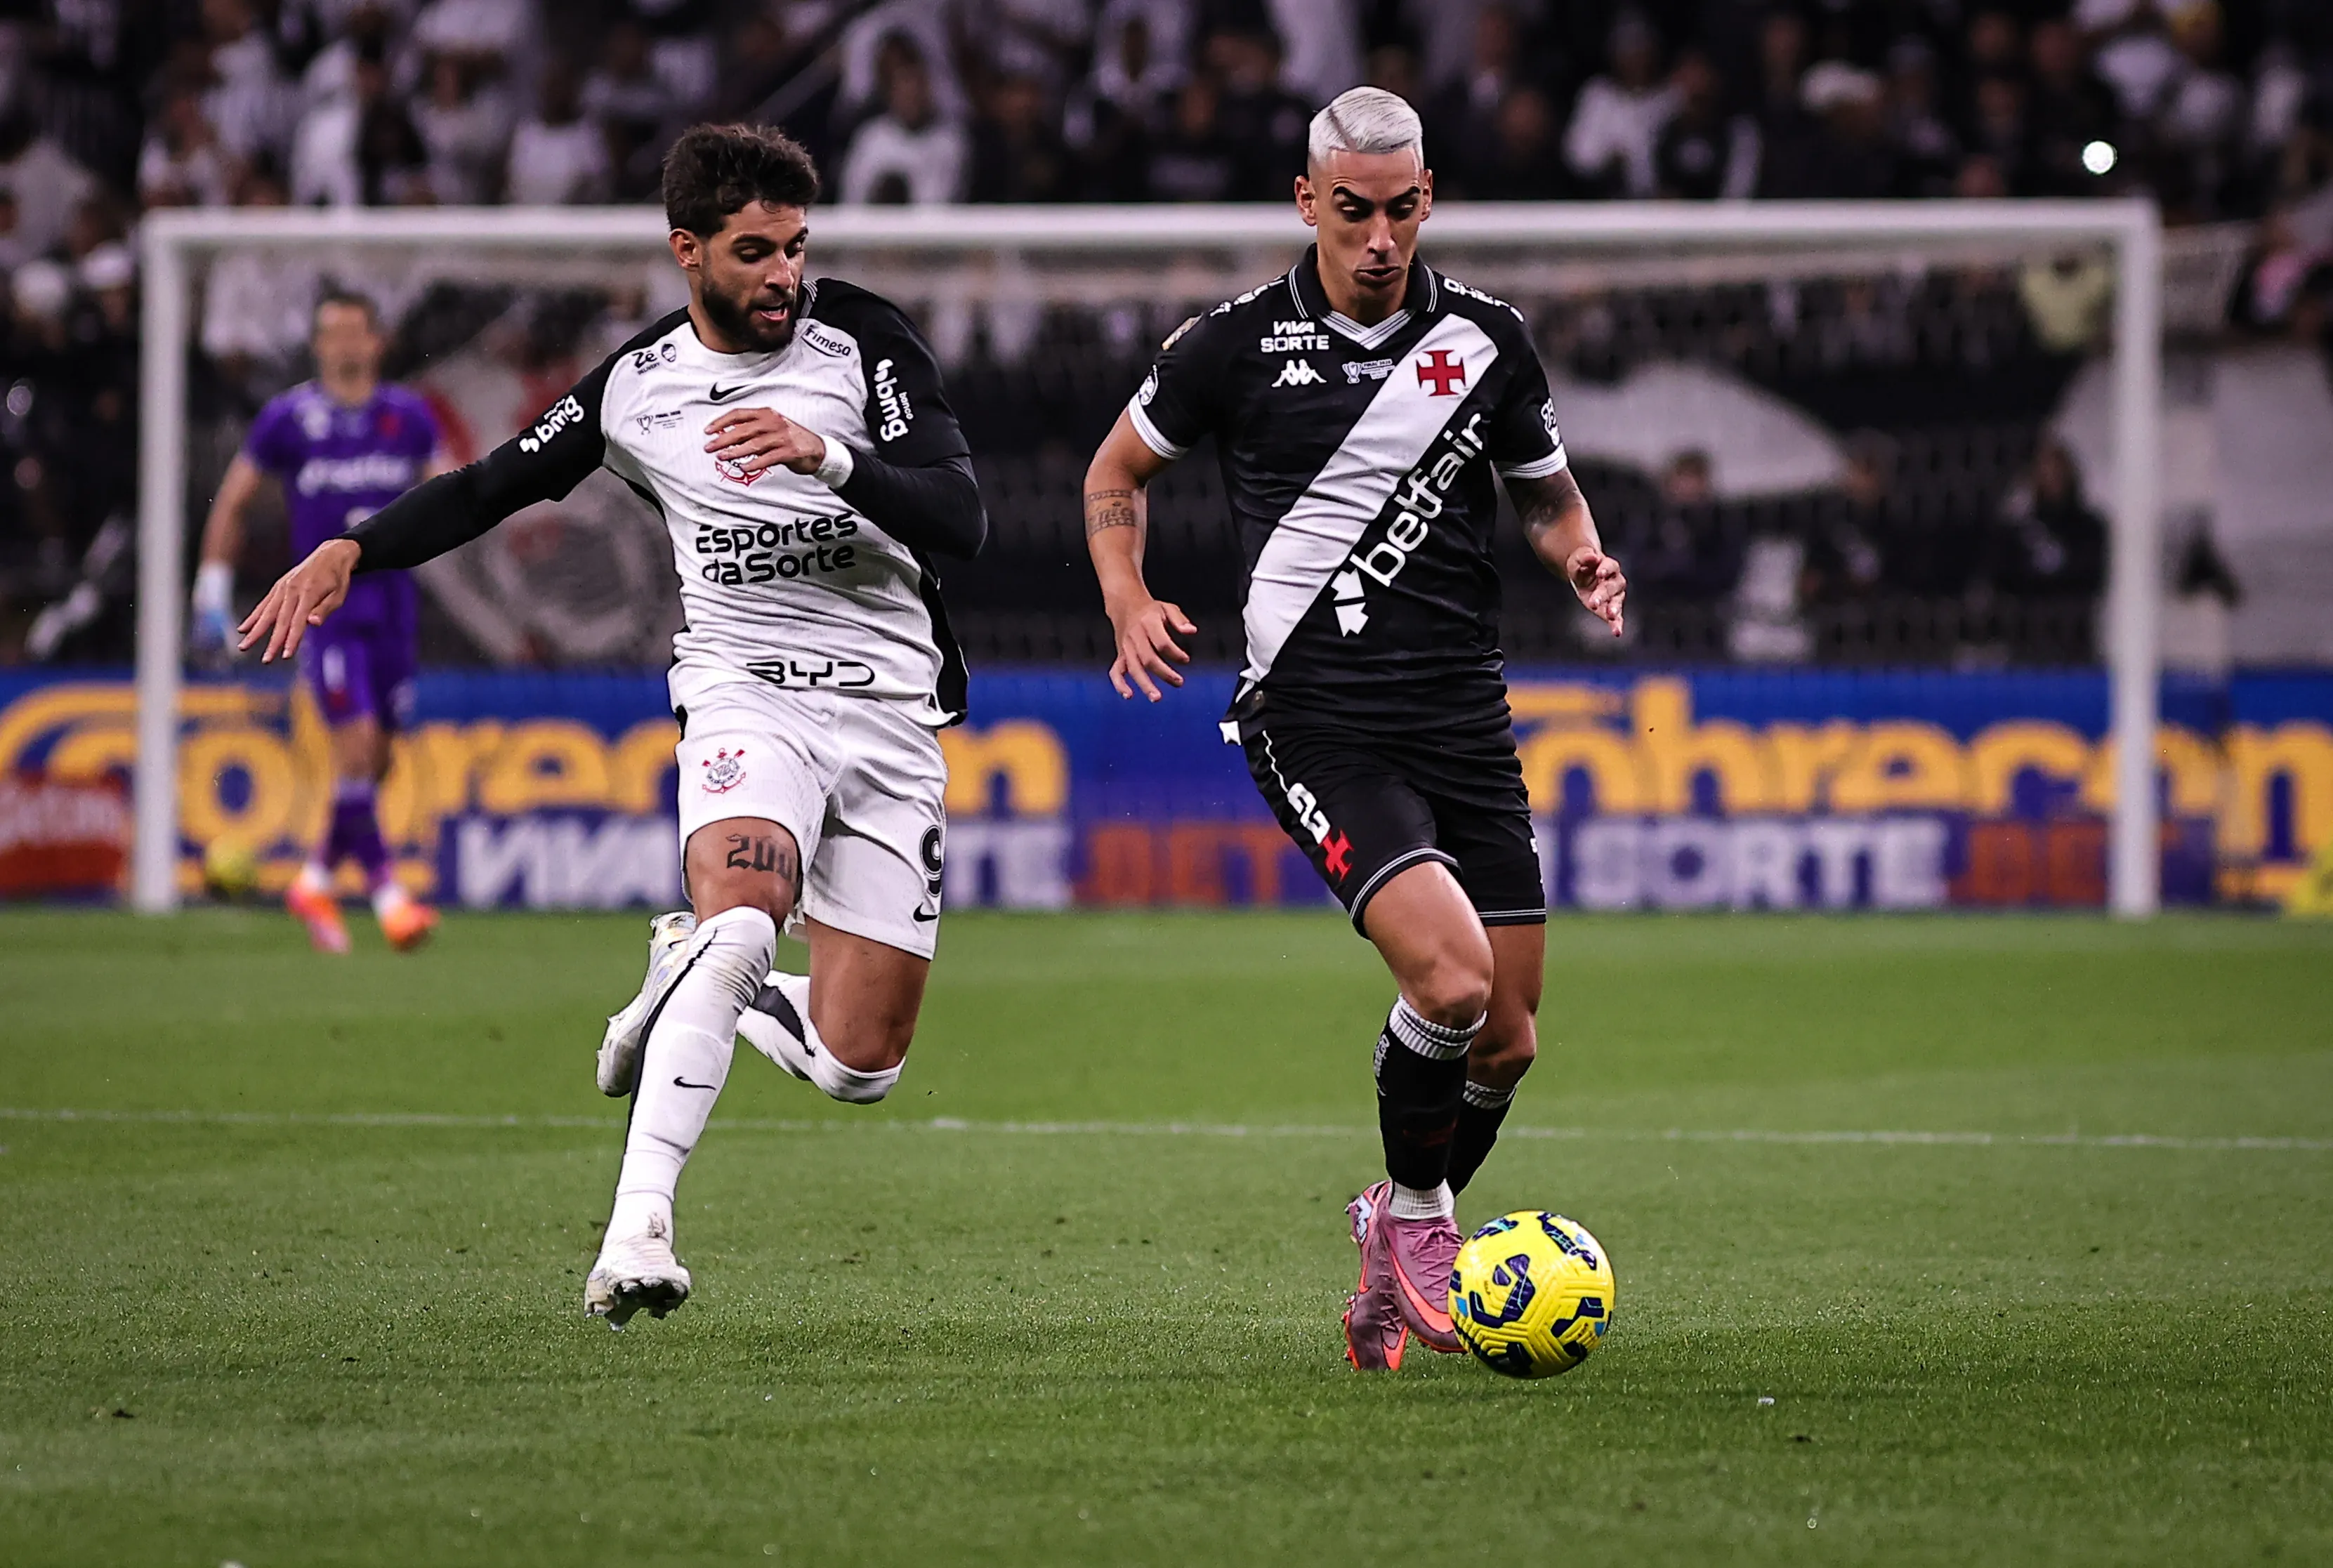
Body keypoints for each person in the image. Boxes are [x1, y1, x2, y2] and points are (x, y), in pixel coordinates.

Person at [236, 124, 987, 1329]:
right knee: (742, 910)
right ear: (686, 252)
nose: (784, 275)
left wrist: (829, 453)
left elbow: (961, 516)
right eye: (754, 253)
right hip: (745, 692)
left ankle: (687, 971)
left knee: (860, 1064)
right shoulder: (638, 386)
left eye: (796, 247)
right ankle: (637, 1228)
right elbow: (494, 485)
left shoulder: (865, 343)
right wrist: (354, 549)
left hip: (891, 713)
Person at [1079, 87, 1625, 1371]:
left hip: (1464, 718)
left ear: (1426, 199)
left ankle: (1388, 1217)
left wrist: (1582, 553)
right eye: (1352, 212)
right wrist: (1126, 597)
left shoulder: (1488, 340)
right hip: (1316, 720)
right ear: (1306, 202)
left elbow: (1546, 500)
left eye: (1400, 210)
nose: (1378, 238)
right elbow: (1115, 474)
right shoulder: (1230, 345)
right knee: (1447, 979)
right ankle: (1427, 1217)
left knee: (1508, 1035)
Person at [195, 290, 446, 955]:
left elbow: (450, 491)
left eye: (353, 332)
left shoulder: (409, 416)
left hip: (395, 607)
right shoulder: (289, 420)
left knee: (380, 759)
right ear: (317, 345)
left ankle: (312, 879)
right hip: (326, 611)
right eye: (330, 333)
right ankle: (391, 897)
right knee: (357, 746)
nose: (343, 345)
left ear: (376, 341)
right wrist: (212, 590)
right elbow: (235, 501)